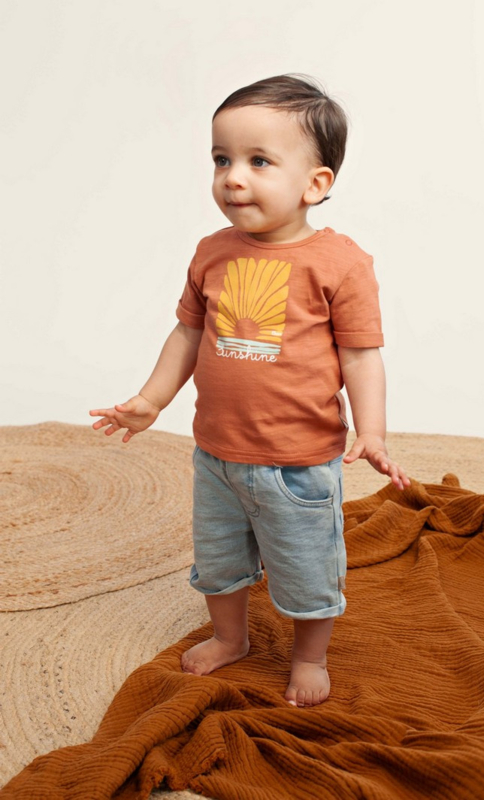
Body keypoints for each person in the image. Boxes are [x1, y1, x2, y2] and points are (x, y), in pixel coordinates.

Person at [90, 74, 410, 708]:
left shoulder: (341, 263)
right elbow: (188, 333)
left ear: (315, 183)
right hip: (217, 455)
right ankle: (229, 638)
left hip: (297, 464)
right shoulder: (212, 252)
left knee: (307, 568)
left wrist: (371, 430)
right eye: (222, 159)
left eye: (258, 161)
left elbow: (360, 355)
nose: (233, 177)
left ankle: (310, 656)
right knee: (218, 562)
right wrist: (152, 398)